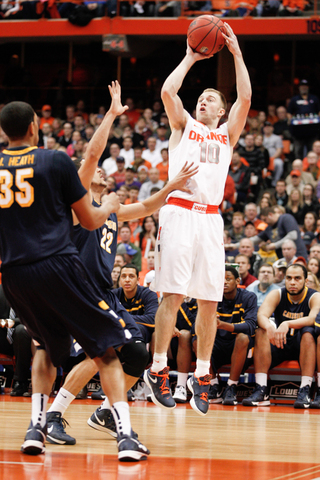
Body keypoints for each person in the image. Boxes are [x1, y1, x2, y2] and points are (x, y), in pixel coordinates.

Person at [45, 83, 198, 448]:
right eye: (95, 172)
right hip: (81, 290)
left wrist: (172, 186)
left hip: (106, 293)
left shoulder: (111, 209)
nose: (100, 174)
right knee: (104, 352)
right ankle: (54, 414)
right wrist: (113, 115)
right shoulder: (80, 205)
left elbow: (147, 208)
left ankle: (102, 413)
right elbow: (92, 156)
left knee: (138, 354)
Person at [0, 97, 151, 461]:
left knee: (43, 348)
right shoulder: (54, 160)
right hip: (58, 266)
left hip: (15, 273)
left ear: (4, 132)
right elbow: (88, 221)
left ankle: (35, 428)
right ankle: (126, 437)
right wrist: (111, 206)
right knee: (108, 352)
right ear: (36, 126)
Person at [144, 24, 251, 416]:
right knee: (171, 294)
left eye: (210, 99)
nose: (203, 101)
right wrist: (191, 55)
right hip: (179, 211)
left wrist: (236, 53)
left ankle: (202, 376)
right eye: (201, 98)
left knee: (209, 301)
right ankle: (158, 370)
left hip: (210, 220)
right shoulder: (184, 126)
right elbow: (169, 93)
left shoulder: (226, 135)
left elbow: (246, 96)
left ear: (221, 111)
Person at [243, 264, 320, 409]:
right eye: (289, 278)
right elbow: (261, 315)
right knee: (261, 330)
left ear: (305, 280)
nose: (292, 282)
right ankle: (261, 389)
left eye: (297, 278)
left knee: (308, 333)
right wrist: (269, 326)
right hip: (280, 342)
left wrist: (287, 324)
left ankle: (305, 390)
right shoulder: (277, 294)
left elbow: (312, 318)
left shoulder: (314, 296)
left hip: (303, 347)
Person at [207, 265, 257, 405]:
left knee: (242, 337)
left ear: (237, 281)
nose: (224, 282)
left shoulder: (248, 297)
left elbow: (251, 326)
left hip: (239, 347)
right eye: (221, 279)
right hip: (217, 345)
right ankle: (213, 384)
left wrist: (223, 325)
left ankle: (231, 386)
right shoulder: (211, 298)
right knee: (197, 339)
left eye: (228, 279)